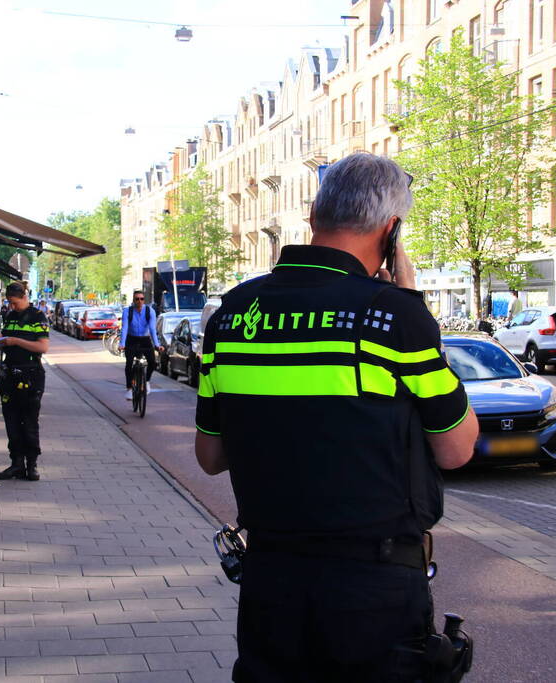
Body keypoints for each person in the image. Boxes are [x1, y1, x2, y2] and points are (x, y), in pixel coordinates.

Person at [194, 153, 479, 681]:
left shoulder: (230, 314)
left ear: (313, 219)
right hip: (372, 588)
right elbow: (457, 448)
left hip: (270, 582)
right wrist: (410, 301)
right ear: (391, 230)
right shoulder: (393, 315)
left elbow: (210, 457)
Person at [0, 282, 50, 481]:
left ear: (24, 297)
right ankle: (16, 463)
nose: (12, 306)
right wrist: (1, 341)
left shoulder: (37, 317)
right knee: (11, 420)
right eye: (10, 303)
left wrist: (15, 341)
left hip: (31, 374)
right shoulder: (9, 316)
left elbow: (43, 347)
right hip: (10, 373)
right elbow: (7, 345)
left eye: (15, 302)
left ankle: (32, 464)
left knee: (29, 420)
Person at [119, 290, 163, 400]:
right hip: (131, 339)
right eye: (137, 299)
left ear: (144, 300)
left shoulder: (150, 311)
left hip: (145, 339)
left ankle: (147, 381)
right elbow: (124, 328)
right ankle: (129, 388)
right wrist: (122, 344)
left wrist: (157, 345)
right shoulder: (127, 311)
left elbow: (152, 329)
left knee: (152, 362)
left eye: (141, 299)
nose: (139, 301)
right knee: (129, 363)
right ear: (133, 300)